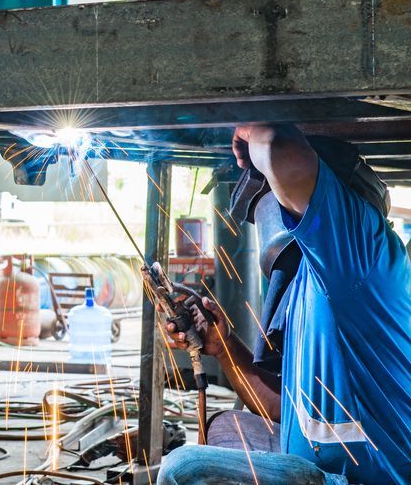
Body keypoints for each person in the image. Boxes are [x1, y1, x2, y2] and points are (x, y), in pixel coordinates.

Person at [158, 124, 411, 484]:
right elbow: (290, 412)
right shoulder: (308, 284)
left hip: (367, 479)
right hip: (327, 467)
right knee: (225, 426)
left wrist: (251, 127)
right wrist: (224, 347)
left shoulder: (353, 250)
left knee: (184, 468)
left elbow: (279, 149)